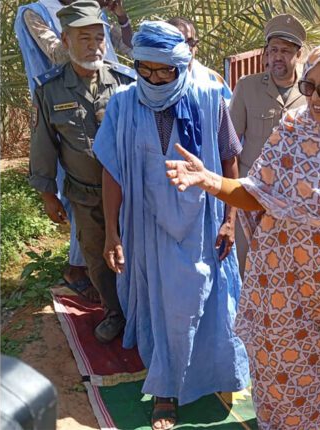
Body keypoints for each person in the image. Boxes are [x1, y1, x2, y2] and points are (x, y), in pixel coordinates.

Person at [165, 40, 320, 430]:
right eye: (309, 86)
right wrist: (209, 180)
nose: (315, 98)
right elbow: (256, 191)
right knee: (275, 373)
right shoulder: (293, 129)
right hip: (281, 286)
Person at [93, 21, 250, 430]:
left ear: (182, 65)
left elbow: (229, 158)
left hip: (204, 223)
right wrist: (112, 233)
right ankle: (166, 388)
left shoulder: (210, 96)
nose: (155, 79)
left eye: (165, 72)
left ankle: (215, 372)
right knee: (162, 307)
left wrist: (230, 220)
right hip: (147, 226)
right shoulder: (123, 104)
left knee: (207, 300)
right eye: (146, 70)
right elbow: (112, 171)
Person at [28, 0, 135, 343]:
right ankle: (114, 312)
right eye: (84, 38)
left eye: (98, 37)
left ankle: (140, 313)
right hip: (85, 194)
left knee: (137, 253)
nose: (94, 46)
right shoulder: (49, 89)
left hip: (131, 194)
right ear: (65, 40)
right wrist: (48, 194)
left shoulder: (127, 82)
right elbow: (43, 145)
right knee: (97, 256)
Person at [229, 14, 308, 273]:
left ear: (298, 54)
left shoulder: (310, 93)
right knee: (246, 265)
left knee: (287, 268)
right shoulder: (247, 87)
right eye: (273, 50)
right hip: (251, 195)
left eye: (285, 51)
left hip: (293, 199)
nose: (277, 57)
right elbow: (229, 146)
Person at [167, 16, 233, 106]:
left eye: (190, 42)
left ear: (196, 47)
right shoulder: (153, 83)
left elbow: (230, 111)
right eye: (178, 43)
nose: (185, 48)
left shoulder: (213, 80)